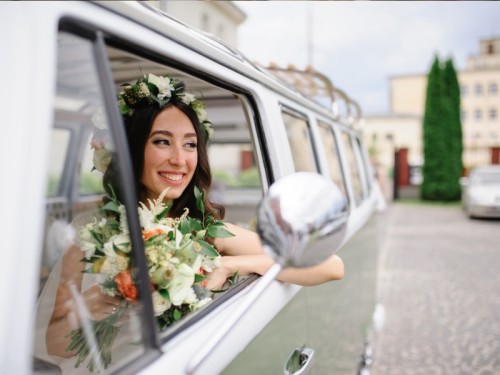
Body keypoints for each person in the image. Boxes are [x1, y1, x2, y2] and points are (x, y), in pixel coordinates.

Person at [39, 73, 344, 368]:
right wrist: (84, 311)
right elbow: (54, 345)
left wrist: (233, 265)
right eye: (162, 142)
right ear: (131, 151)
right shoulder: (88, 231)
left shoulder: (207, 231)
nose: (179, 159)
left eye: (189, 144)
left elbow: (331, 266)